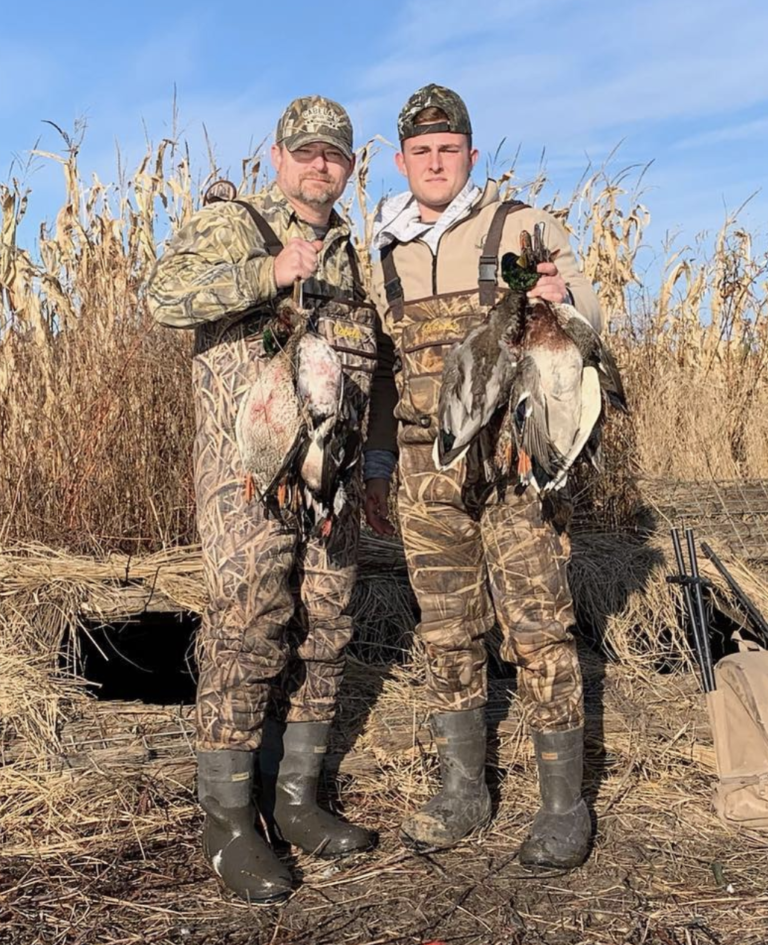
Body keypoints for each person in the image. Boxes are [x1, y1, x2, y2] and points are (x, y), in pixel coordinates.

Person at [148, 96, 383, 903]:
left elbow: (369, 371)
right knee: (249, 626)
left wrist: (373, 465)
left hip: (332, 475)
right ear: (279, 156)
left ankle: (296, 801)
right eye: (307, 151)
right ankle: (226, 822)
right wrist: (268, 273)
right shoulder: (234, 224)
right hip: (246, 474)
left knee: (326, 624)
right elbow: (161, 296)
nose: (322, 165)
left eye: (337, 155)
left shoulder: (355, 253)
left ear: (349, 168)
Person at [362, 84, 603, 870]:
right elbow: (380, 377)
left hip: (512, 470)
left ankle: (564, 803)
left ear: (471, 152)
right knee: (446, 635)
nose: (436, 162)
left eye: (450, 148)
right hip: (426, 480)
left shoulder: (518, 226)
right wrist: (372, 464)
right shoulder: (386, 253)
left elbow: (591, 321)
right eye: (422, 152)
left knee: (539, 627)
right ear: (402, 162)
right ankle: (465, 789)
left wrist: (564, 303)